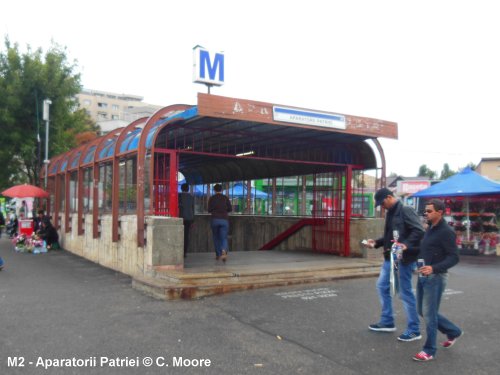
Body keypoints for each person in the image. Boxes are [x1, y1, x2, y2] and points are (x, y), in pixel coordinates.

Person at [365, 187, 425, 341]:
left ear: (390, 197)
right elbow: (391, 236)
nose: (382, 206)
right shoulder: (391, 212)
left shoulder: (405, 210)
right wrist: (377, 242)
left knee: (405, 292)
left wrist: (405, 244)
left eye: (382, 202)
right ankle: (387, 321)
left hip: (403, 258)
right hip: (391, 257)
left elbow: (419, 231)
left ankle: (414, 330)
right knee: (382, 286)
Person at [413, 199, 462, 362]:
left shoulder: (446, 232)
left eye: (429, 211)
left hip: (435, 277)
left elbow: (454, 257)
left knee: (429, 314)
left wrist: (434, 268)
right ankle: (453, 331)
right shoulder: (430, 229)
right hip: (423, 274)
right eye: (425, 211)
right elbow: (425, 249)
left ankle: (429, 350)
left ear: (440, 212)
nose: (425, 214)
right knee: (423, 311)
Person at [208, 183, 232, 262]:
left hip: (215, 219)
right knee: (224, 237)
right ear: (221, 190)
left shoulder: (212, 198)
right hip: (224, 220)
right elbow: (230, 209)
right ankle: (224, 250)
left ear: (214, 190)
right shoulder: (225, 198)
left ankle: (218, 255)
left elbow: (209, 210)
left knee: (216, 237)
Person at [178, 183, 195, 258]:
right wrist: (192, 221)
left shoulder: (179, 196)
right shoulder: (191, 197)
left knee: (179, 236)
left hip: (180, 218)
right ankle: (184, 252)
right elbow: (192, 209)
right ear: (188, 189)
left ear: (181, 189)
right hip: (189, 219)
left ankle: (179, 251)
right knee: (186, 236)